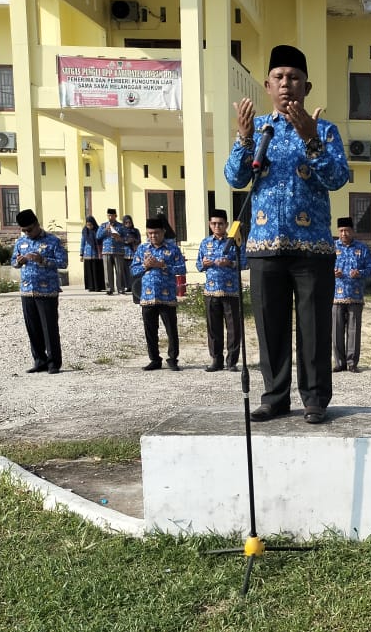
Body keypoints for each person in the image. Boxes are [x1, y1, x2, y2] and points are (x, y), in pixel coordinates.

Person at [224, 44, 350, 424]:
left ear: (306, 86)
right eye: (279, 77)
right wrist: (244, 140)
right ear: (267, 84)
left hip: (312, 250)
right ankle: (274, 397)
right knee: (270, 328)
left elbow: (337, 177)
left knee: (313, 329)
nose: (286, 85)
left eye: (294, 78)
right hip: (264, 246)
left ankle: (314, 400)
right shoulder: (259, 129)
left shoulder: (324, 130)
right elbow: (235, 178)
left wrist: (311, 139)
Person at [10, 209, 68, 374]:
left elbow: (63, 262)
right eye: (24, 230)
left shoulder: (52, 241)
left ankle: (53, 363)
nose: (27, 233)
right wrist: (19, 262)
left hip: (47, 291)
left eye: (29, 229)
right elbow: (14, 261)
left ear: (37, 224)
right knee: (33, 328)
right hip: (27, 290)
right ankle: (39, 360)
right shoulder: (21, 242)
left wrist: (42, 259)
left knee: (49, 328)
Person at [130, 216, 188, 371]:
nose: (153, 236)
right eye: (149, 233)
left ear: (163, 232)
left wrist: (163, 265)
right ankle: (154, 359)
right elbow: (133, 270)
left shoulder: (172, 249)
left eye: (156, 233)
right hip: (148, 296)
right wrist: (145, 266)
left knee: (171, 329)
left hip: (167, 296)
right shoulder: (142, 249)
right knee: (150, 330)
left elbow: (182, 269)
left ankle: (172, 358)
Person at [196, 208, 245, 372]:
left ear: (226, 225)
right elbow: (198, 265)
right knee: (213, 328)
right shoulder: (205, 243)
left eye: (220, 224)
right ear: (210, 224)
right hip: (211, 291)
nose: (217, 226)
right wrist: (204, 264)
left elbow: (244, 262)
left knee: (233, 328)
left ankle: (232, 361)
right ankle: (216, 360)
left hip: (231, 291)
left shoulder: (234, 242)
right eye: (214, 223)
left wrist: (230, 263)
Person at [331, 216, 371, 372]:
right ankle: (339, 362)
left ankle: (352, 363)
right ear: (338, 231)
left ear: (352, 231)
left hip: (355, 295)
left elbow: (370, 268)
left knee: (354, 330)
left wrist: (360, 273)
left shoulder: (361, 248)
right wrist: (332, 272)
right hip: (336, 295)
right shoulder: (331, 247)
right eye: (341, 231)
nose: (344, 234)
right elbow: (322, 268)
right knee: (336, 330)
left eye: (347, 230)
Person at [97, 208, 127, 295]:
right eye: (109, 215)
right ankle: (109, 288)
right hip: (106, 251)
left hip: (118, 251)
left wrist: (120, 238)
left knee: (119, 271)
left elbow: (126, 238)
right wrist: (105, 230)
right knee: (107, 271)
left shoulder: (121, 226)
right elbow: (98, 236)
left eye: (112, 215)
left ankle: (121, 288)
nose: (110, 217)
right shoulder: (103, 225)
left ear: (115, 216)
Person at [80, 215, 104, 292]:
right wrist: (81, 254)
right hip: (87, 254)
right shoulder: (85, 231)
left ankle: (98, 287)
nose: (89, 226)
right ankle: (90, 287)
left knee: (97, 270)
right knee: (89, 271)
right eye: (87, 225)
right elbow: (82, 242)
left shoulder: (97, 230)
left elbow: (100, 241)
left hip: (96, 254)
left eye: (90, 225)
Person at [120, 215, 141, 295]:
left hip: (133, 253)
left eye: (129, 222)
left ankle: (133, 286)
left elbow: (139, 240)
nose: (128, 224)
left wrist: (133, 240)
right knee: (125, 271)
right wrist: (126, 241)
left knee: (133, 270)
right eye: (126, 222)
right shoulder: (122, 231)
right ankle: (127, 286)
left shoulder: (135, 231)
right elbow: (119, 240)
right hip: (124, 253)